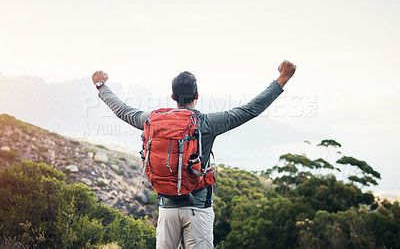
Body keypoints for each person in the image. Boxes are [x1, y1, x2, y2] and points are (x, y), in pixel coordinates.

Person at [91, 60, 296, 249]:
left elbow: (122, 110)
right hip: (199, 209)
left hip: (167, 208)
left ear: (173, 97)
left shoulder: (151, 121)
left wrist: (101, 85)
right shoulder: (206, 123)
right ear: (197, 95)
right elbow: (249, 110)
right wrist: (282, 79)